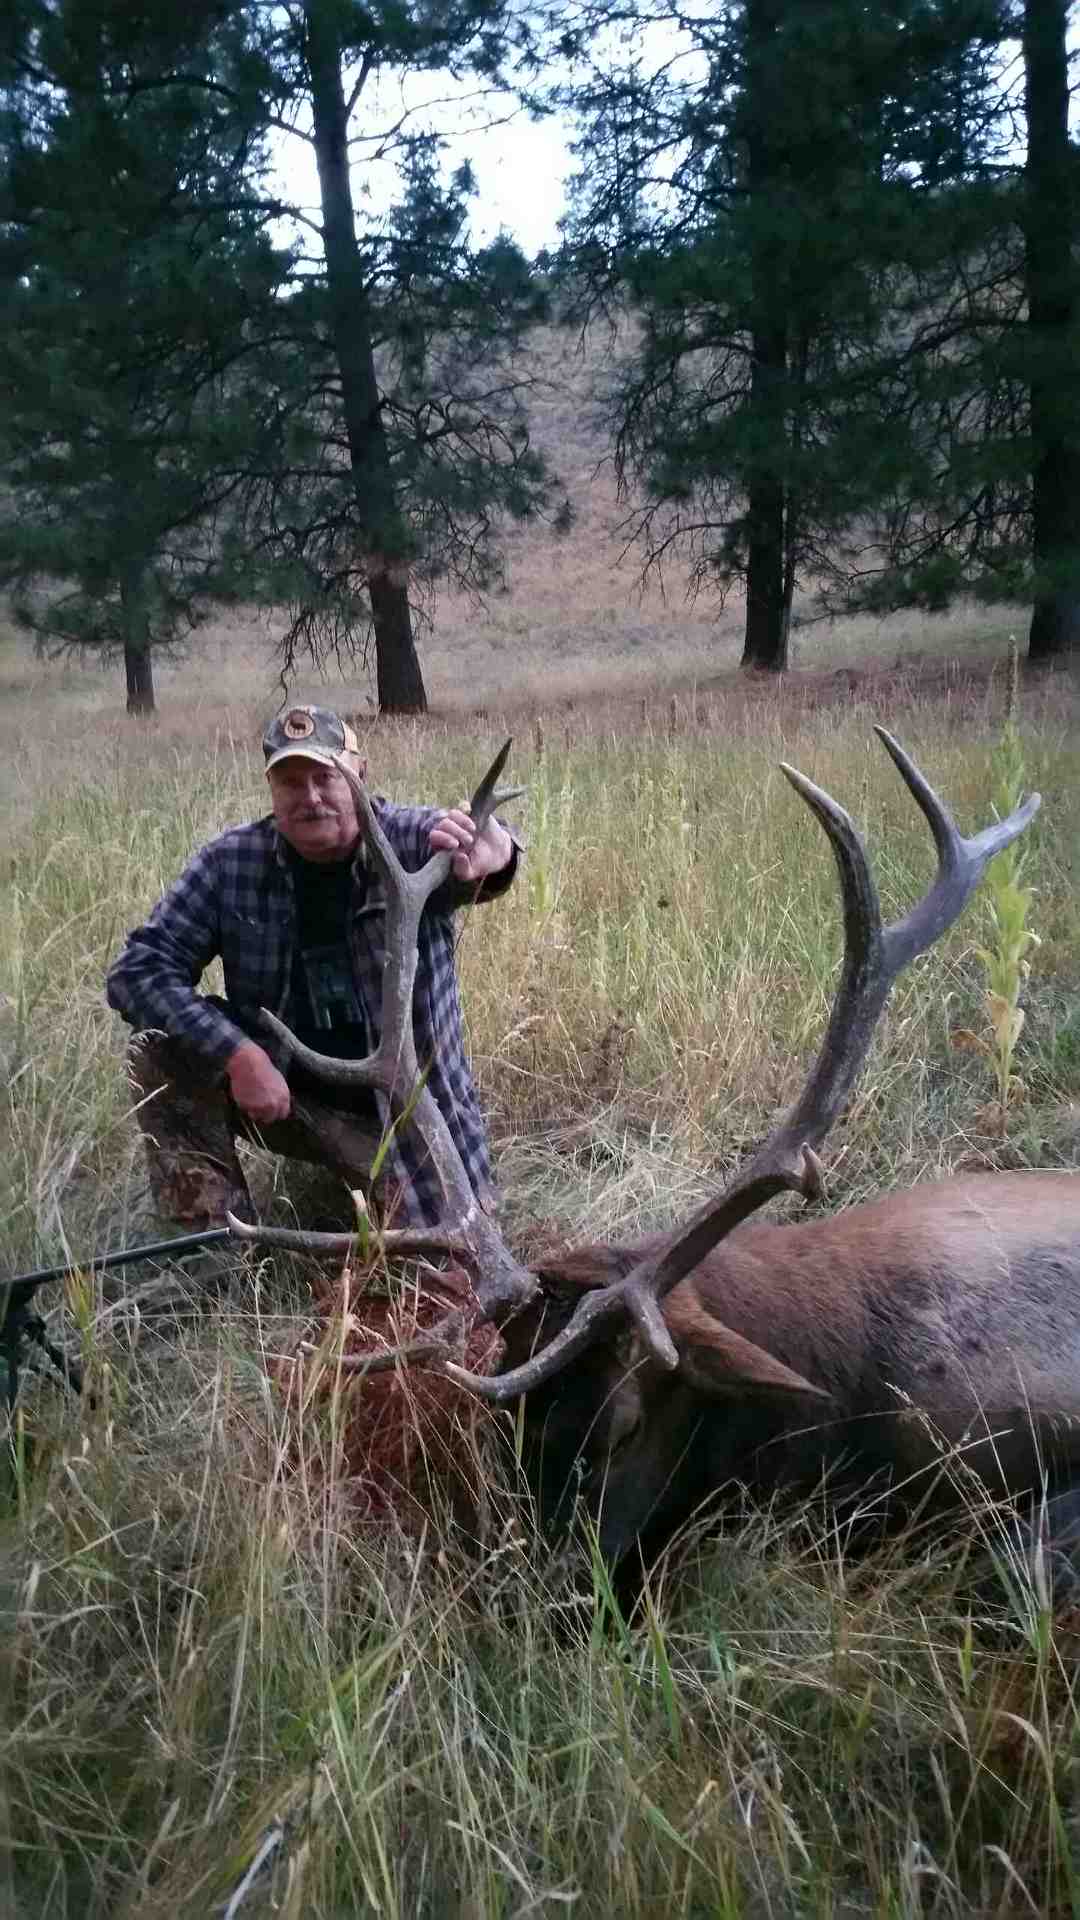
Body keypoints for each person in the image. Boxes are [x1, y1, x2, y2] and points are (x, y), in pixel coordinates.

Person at [106, 705, 521, 1235]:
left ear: (360, 776)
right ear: (271, 789)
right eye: (290, 782)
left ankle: (386, 1193)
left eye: (326, 777)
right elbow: (138, 970)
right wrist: (240, 1056)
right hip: (287, 1100)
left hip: (409, 1122)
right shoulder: (230, 863)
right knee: (159, 1052)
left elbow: (485, 852)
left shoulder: (415, 841)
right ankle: (213, 1255)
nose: (311, 797)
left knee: (453, 1262)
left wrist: (496, 851)